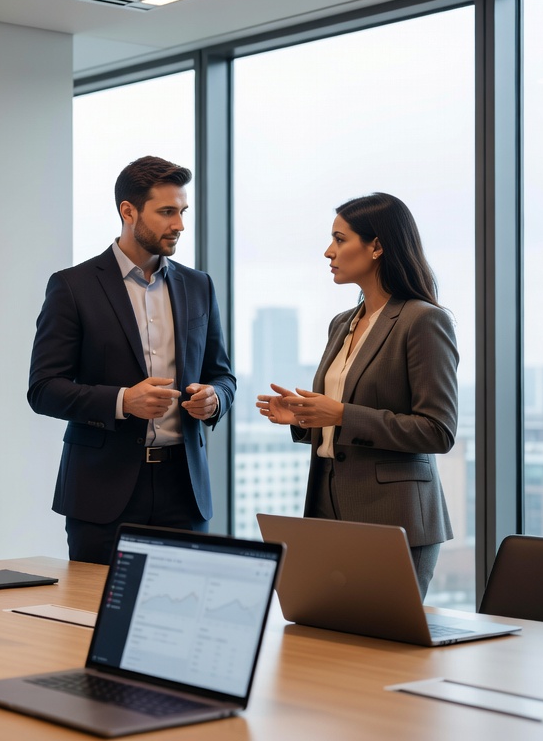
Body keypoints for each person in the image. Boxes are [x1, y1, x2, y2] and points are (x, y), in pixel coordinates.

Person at [28, 156, 235, 564]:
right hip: (102, 494)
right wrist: (123, 401)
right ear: (129, 211)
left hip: (185, 491)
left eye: (182, 212)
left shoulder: (199, 285)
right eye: (167, 212)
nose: (179, 224)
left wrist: (215, 399)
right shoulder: (73, 287)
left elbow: (222, 375)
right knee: (95, 620)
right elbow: (43, 389)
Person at [256, 193, 456, 598]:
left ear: (377, 246)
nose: (329, 251)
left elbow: (438, 431)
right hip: (328, 502)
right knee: (329, 637)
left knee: (386, 649)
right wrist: (304, 419)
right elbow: (337, 418)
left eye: (340, 239)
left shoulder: (423, 320)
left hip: (395, 514)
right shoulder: (342, 323)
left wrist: (343, 414)